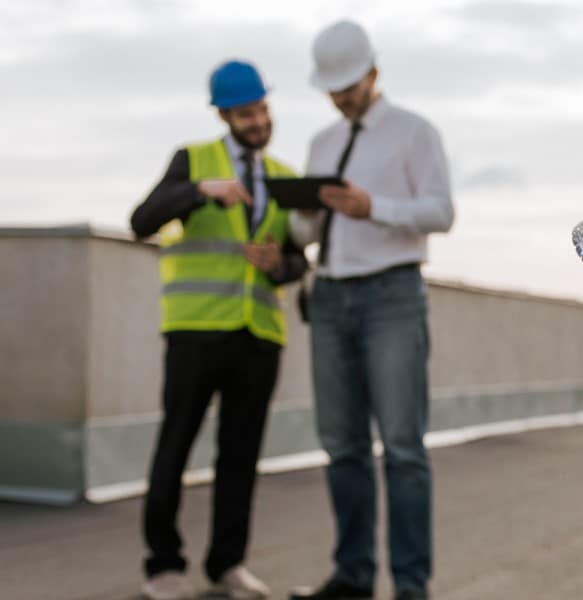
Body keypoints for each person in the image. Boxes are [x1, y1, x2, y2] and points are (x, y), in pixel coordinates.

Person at [287, 20, 454, 600]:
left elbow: (441, 212)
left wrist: (371, 206)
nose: (339, 99)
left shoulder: (415, 133)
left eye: (348, 88)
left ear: (373, 74)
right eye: (332, 91)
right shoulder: (321, 144)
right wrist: (304, 216)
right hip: (329, 295)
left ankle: (411, 586)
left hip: (391, 297)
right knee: (343, 448)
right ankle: (353, 576)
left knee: (403, 449)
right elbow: (306, 230)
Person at [130, 59, 306, 600]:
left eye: (262, 110)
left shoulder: (284, 178)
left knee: (241, 454)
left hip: (258, 334)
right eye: (246, 113)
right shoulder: (192, 161)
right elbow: (142, 221)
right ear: (225, 115)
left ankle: (227, 563)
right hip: (195, 331)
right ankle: (163, 564)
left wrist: (279, 264)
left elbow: (301, 261)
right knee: (175, 444)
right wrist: (199, 191)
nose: (257, 122)